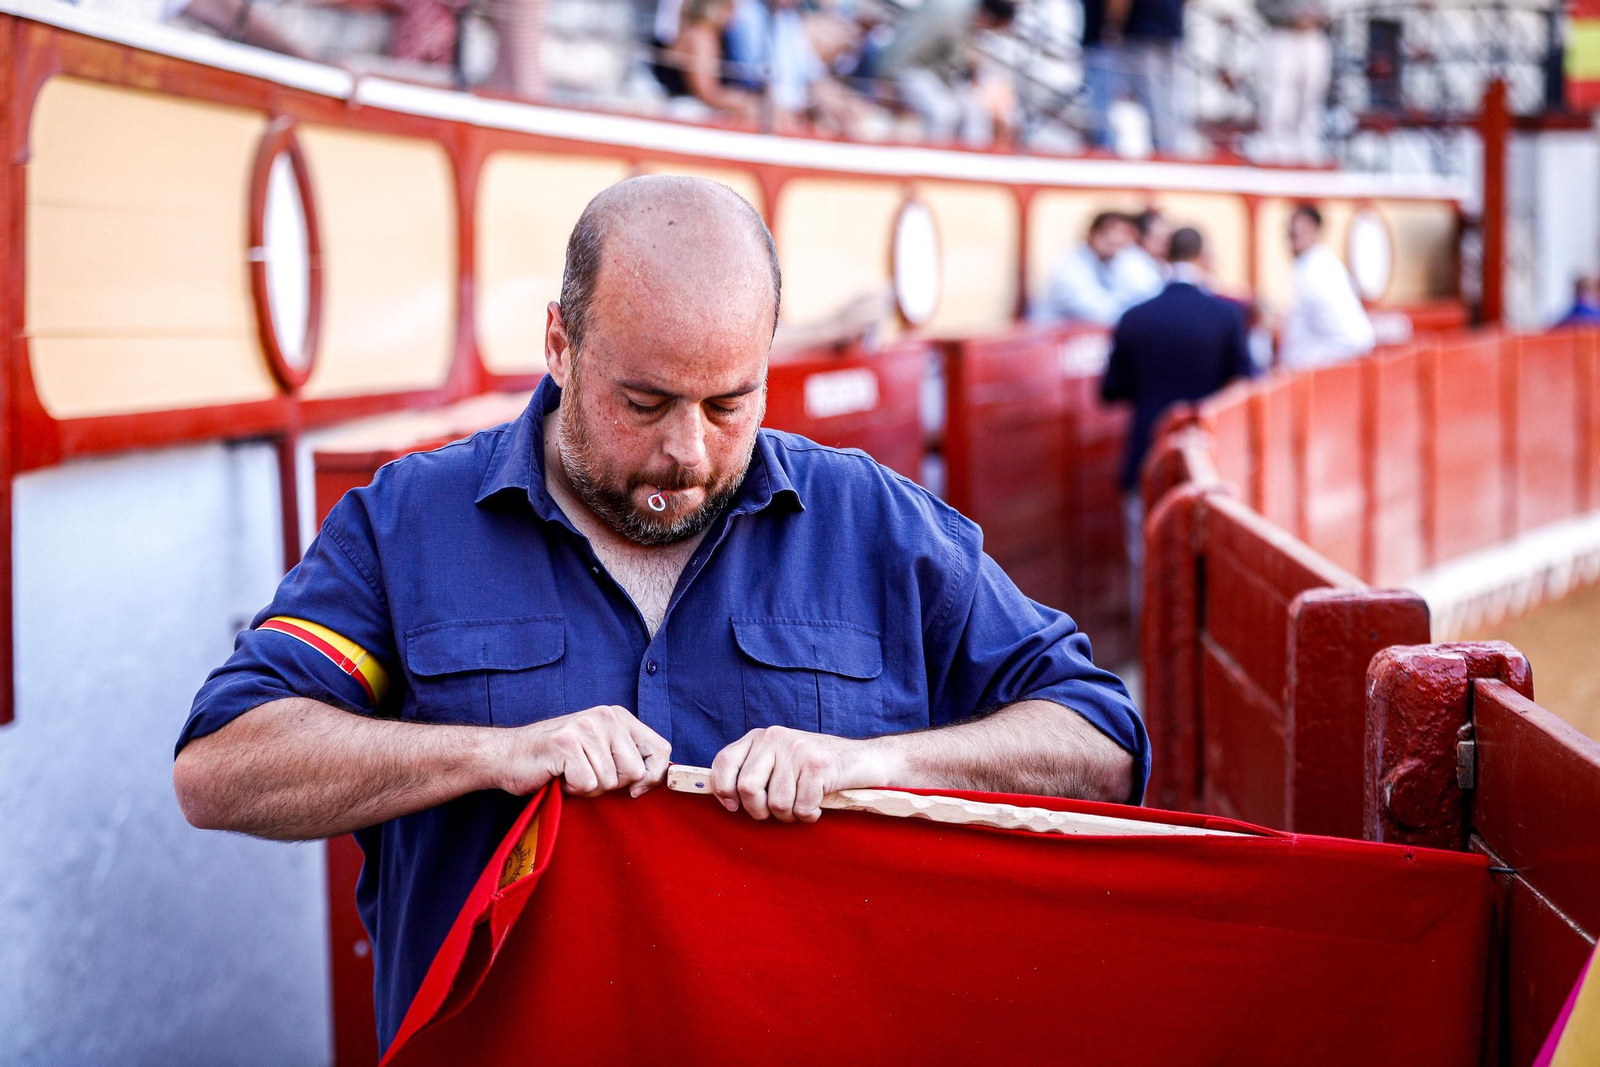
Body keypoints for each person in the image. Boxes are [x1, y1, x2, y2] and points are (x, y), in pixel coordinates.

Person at [173, 176, 1146, 1055]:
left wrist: (876, 764)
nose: (687, 450)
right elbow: (219, 766)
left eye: (729, 403)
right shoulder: (406, 523)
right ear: (558, 342)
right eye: (644, 400)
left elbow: (1099, 740)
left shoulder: (874, 522)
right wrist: (491, 754)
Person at [1100, 226, 1253, 613]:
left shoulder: (1134, 316)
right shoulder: (1227, 314)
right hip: (1209, 457)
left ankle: (1150, 665)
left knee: (1147, 564)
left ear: (1165, 258)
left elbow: (1110, 390)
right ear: (1202, 256)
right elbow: (1247, 381)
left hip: (1145, 455)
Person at [871, 0, 1018, 144]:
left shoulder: (962, 10)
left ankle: (969, 161)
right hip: (905, 71)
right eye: (995, 26)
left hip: (925, 72)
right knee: (944, 111)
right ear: (990, 16)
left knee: (975, 112)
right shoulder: (956, 14)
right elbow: (959, 63)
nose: (990, 31)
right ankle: (933, 162)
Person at [1081, 0, 1187, 155]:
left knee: (1151, 97)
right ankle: (1167, 147)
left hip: (1142, 31)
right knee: (1165, 99)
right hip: (1169, 29)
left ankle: (1163, 150)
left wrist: (1113, 26)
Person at [1278, 203, 1374, 370]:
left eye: (1296, 234)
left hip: (1306, 377)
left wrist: (1302, 365)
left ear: (1314, 229)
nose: (1291, 241)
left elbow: (1355, 338)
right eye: (1290, 235)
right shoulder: (1313, 267)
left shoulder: (1319, 272)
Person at [656, 0, 762, 120]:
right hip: (689, 115)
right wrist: (748, 102)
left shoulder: (692, 30)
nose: (736, 15)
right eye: (730, 8)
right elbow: (707, 92)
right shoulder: (702, 36)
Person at [1255, 0, 1331, 164]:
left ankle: (1309, 142)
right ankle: (1276, 144)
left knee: (1313, 91)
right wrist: (1290, 17)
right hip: (1282, 34)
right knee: (1280, 92)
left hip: (1314, 35)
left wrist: (1316, 17)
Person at [1041, 211, 1139, 326]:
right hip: (1055, 335)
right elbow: (1097, 313)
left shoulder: (1117, 261)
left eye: (1125, 234)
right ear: (1094, 234)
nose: (1119, 239)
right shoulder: (1068, 266)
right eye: (1111, 233)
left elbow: (1143, 292)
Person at [1113, 207, 1170, 309]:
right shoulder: (1128, 261)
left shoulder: (1162, 263)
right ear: (1141, 236)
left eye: (1166, 239)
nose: (1164, 245)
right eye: (1158, 239)